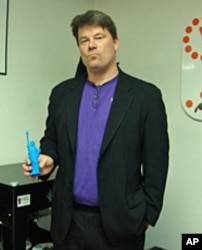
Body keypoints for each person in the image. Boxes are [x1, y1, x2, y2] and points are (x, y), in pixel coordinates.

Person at [23, 10, 169, 250]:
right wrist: (47, 157)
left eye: (99, 37)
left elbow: (157, 163)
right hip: (68, 223)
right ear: (79, 48)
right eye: (84, 40)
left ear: (116, 42)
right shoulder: (62, 94)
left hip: (121, 225)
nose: (92, 45)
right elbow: (52, 139)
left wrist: (145, 216)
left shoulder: (146, 97)